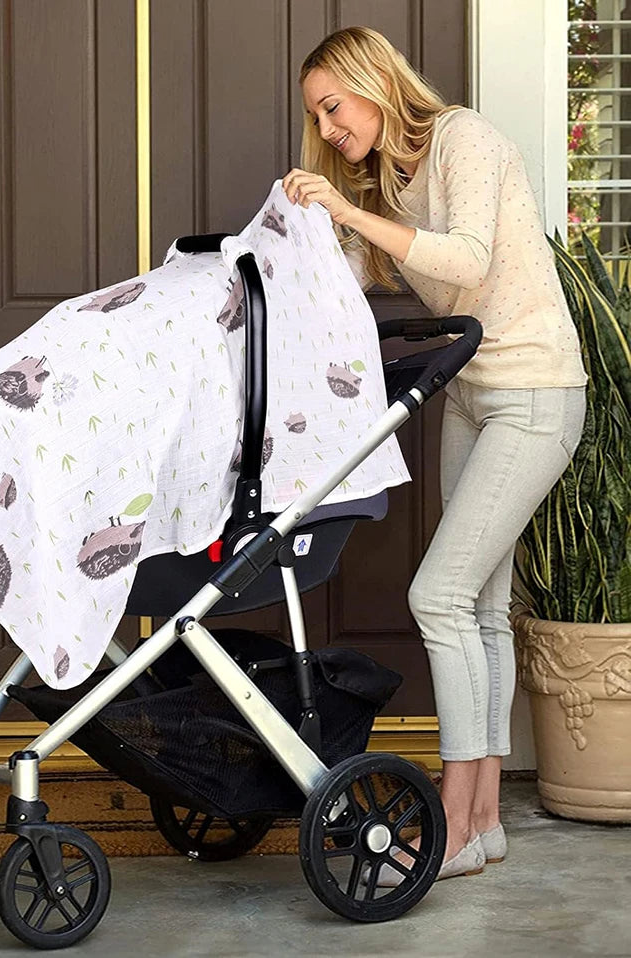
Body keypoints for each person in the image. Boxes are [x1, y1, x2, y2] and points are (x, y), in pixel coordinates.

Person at [282, 26, 587, 882]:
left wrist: (349, 213)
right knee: (481, 611)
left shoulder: (464, 139)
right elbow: (347, 275)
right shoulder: (386, 181)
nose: (328, 129)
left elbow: (471, 260)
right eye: (317, 118)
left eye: (333, 108)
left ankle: (448, 826)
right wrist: (283, 250)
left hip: (535, 393)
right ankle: (482, 825)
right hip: (471, 392)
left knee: (439, 596)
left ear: (373, 82)